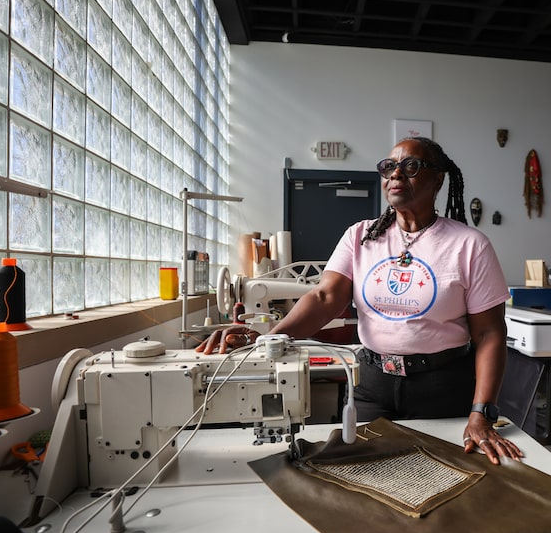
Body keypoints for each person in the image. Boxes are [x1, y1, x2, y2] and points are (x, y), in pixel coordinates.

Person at [196, 137, 522, 465]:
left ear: (438, 178)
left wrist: (482, 412)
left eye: (410, 167)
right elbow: (324, 297)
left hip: (443, 387)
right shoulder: (361, 236)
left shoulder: (469, 245)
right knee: (364, 477)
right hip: (373, 384)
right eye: (388, 167)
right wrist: (270, 338)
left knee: (447, 477)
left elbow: (489, 334)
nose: (395, 175)